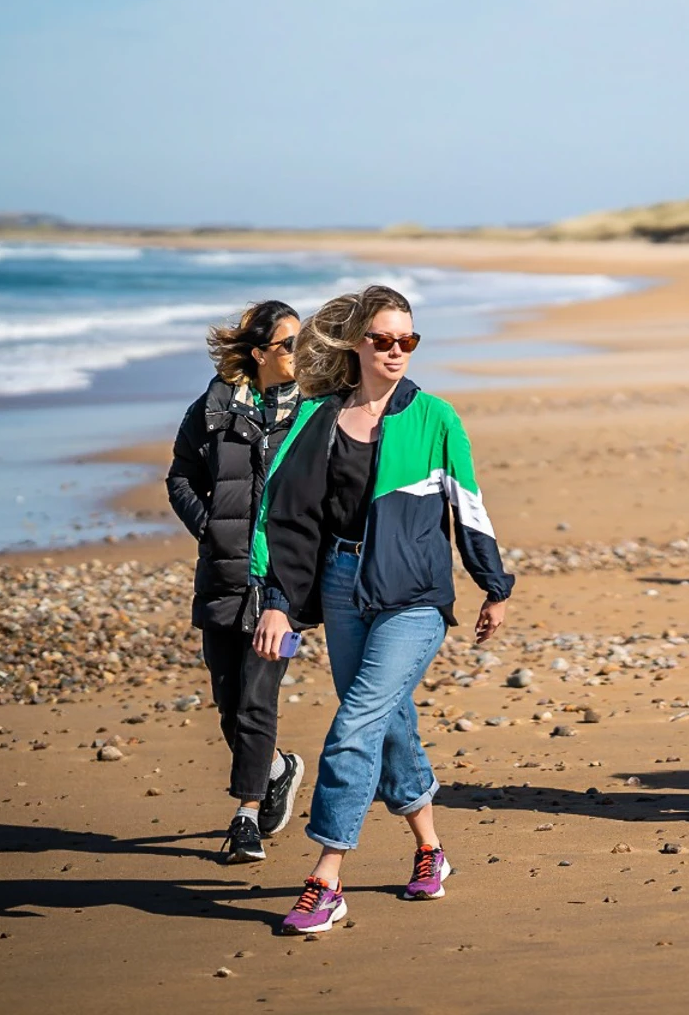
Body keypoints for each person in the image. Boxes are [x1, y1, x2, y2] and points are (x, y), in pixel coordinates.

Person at [250, 285, 515, 934]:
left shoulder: (434, 418)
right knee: (388, 720)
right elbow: (283, 516)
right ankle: (430, 848)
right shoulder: (319, 419)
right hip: (342, 586)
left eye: (408, 340)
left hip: (415, 594)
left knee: (354, 724)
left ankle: (325, 876)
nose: (397, 351)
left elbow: (467, 505)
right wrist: (278, 603)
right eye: (384, 340)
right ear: (357, 344)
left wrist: (494, 584)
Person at [165, 299, 307, 864]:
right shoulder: (214, 406)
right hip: (222, 577)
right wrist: (211, 531)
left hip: (284, 591)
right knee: (227, 701)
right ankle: (276, 768)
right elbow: (180, 477)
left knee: (255, 700)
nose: (300, 354)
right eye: (288, 344)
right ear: (258, 354)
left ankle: (245, 817)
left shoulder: (315, 413)